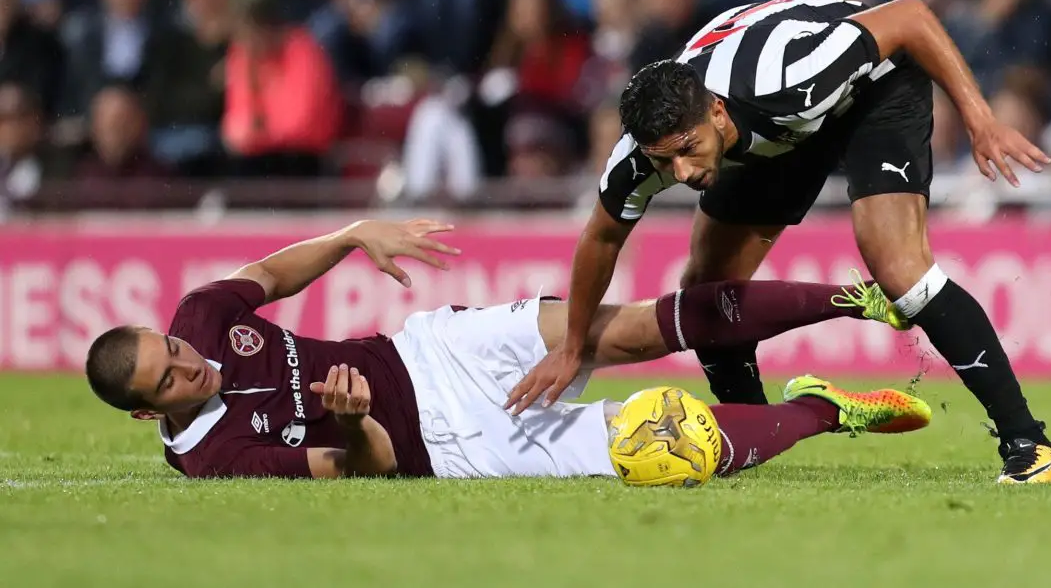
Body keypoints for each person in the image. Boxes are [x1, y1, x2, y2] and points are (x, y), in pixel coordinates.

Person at [508, 0, 1051, 485]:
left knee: (900, 269)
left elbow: (910, 16)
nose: (681, 172)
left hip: (872, 87)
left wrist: (979, 118)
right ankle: (753, 434)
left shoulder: (793, 75)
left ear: (716, 113)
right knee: (705, 290)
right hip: (776, 131)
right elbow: (602, 238)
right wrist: (573, 347)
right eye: (664, 160)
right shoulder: (644, 153)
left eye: (687, 150)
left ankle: (1029, 444)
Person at [84, 218, 929, 480]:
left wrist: (350, 236)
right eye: (172, 378)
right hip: (454, 445)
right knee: (675, 448)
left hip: (431, 353)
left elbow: (268, 273)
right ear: (148, 412)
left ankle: (854, 298)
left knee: (623, 325)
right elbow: (365, 468)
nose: (192, 362)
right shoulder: (217, 459)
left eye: (174, 348)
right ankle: (822, 408)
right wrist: (350, 421)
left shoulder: (201, 317)